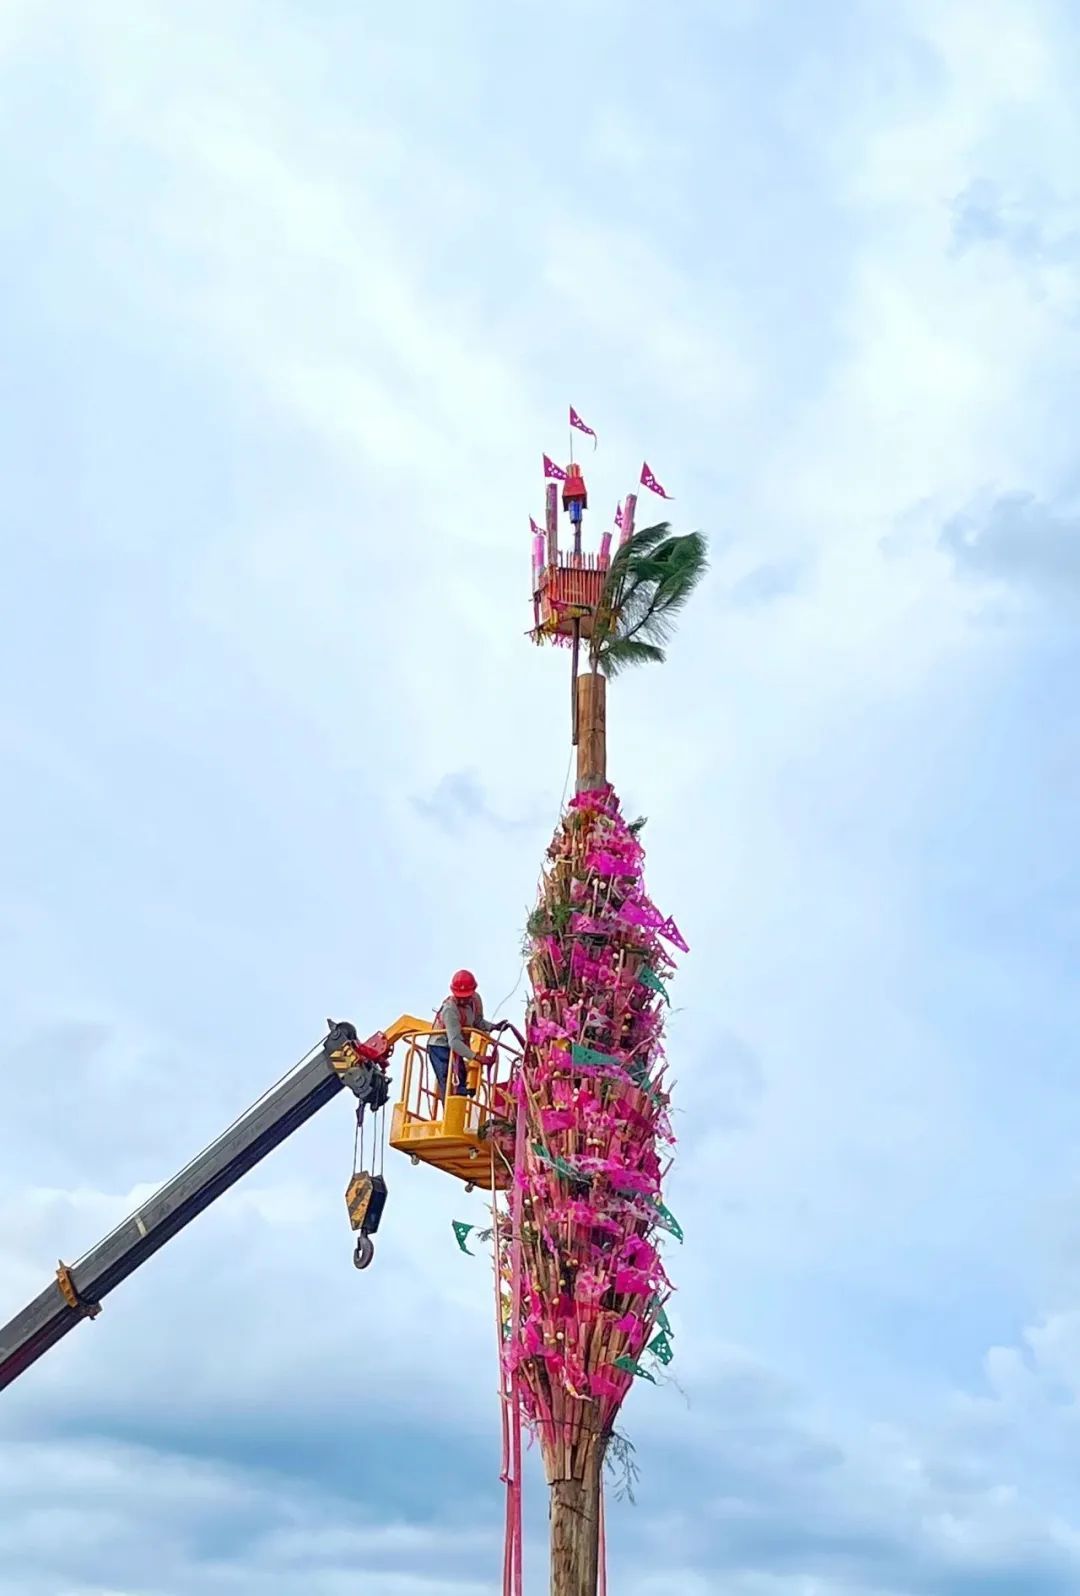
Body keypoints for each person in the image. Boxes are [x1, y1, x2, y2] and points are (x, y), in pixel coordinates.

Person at [428, 970, 505, 1105]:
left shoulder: (475, 1001)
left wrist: (494, 1027)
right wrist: (476, 1057)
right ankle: (449, 1113)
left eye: (466, 996)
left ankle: (460, 1107)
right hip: (440, 1046)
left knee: (461, 1079)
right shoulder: (450, 1009)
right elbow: (455, 1042)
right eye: (460, 996)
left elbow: (478, 1022)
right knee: (448, 1080)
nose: (463, 999)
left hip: (458, 1044)